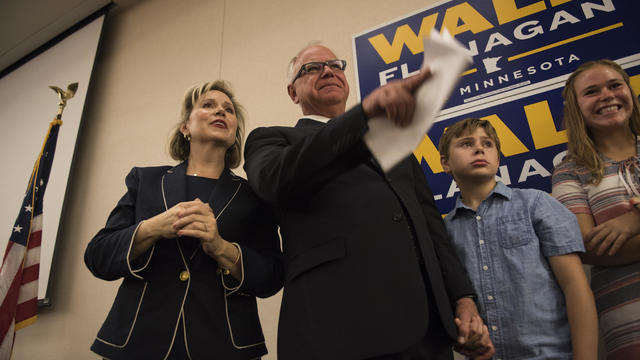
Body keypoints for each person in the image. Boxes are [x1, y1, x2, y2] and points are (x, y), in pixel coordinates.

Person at [243, 43, 494, 359]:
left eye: (335, 65)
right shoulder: (272, 139)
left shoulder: (394, 143)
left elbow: (431, 229)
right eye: (311, 67)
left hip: (427, 332)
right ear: (293, 93)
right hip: (339, 332)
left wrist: (463, 297)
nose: (328, 70)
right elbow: (275, 180)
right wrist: (362, 117)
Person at [84, 80, 283, 359]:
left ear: (235, 131)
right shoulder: (145, 180)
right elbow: (97, 256)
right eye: (208, 105)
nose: (221, 112)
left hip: (224, 345)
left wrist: (222, 248)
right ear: (185, 127)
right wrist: (153, 227)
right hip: (137, 342)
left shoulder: (256, 195)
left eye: (229, 110)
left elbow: (272, 277)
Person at [438, 117, 598, 359]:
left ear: (498, 159)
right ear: (445, 163)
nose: (479, 148)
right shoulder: (444, 232)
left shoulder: (536, 203)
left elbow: (575, 286)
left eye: (488, 144)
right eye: (466, 144)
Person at [552, 59, 640, 359]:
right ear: (576, 108)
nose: (607, 95)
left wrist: (633, 220)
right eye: (592, 91)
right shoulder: (569, 173)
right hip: (630, 322)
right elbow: (588, 248)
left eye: (615, 85)